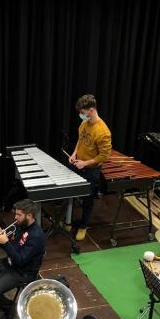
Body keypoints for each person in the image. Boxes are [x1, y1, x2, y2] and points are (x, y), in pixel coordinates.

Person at [67, 94, 112, 241]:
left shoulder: (103, 132)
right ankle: (67, 220)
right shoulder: (84, 123)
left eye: (83, 112)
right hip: (78, 164)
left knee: (88, 198)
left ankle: (83, 225)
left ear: (91, 110)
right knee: (68, 191)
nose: (81, 115)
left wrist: (85, 163)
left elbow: (104, 156)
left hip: (91, 170)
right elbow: (80, 140)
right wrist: (74, 154)